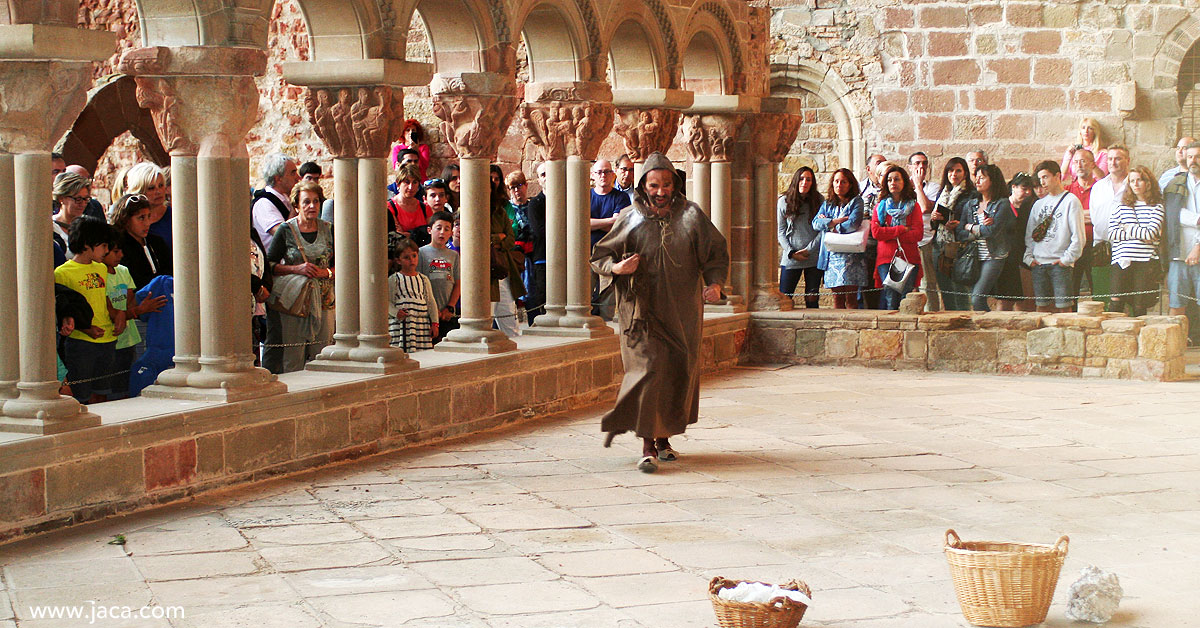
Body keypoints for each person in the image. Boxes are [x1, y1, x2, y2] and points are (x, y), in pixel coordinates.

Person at [590, 152, 728, 473]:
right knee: (647, 371)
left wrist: (715, 283)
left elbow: (715, 252)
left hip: (682, 311)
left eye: (667, 184)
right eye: (655, 185)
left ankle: (663, 437)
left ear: (675, 185)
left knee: (677, 371)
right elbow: (600, 256)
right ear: (644, 185)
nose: (661, 191)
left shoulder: (692, 216)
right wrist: (618, 267)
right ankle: (647, 444)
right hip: (640, 312)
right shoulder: (628, 217)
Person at [264, 180, 334, 374]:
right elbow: (269, 265)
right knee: (293, 356)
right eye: (306, 202)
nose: (312, 206)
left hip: (325, 299)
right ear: (296, 205)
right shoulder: (286, 230)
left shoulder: (329, 229)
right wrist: (297, 269)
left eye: (316, 201)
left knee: (324, 354)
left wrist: (325, 273)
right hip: (296, 301)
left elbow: (344, 264)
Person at [54, 216, 121, 404]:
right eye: (103, 245)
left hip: (107, 339)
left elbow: (104, 298)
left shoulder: (101, 269)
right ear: (86, 244)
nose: (106, 251)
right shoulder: (62, 273)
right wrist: (85, 328)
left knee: (102, 391)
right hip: (80, 343)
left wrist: (117, 315)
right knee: (80, 394)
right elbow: (63, 311)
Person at [102, 237, 163, 400]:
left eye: (121, 250)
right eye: (115, 251)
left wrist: (138, 308)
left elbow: (128, 304)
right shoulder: (98, 275)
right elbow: (108, 311)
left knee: (128, 387)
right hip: (110, 341)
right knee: (110, 391)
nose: (121, 255)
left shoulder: (123, 271)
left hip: (129, 339)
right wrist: (139, 310)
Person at [1025, 160, 1085, 313]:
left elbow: (1078, 236)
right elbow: (1030, 235)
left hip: (1059, 264)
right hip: (1039, 263)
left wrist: (1067, 260)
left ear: (1057, 176)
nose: (1042, 182)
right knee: (1041, 307)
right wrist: (1029, 258)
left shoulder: (1071, 201)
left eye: (1045, 177)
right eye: (1040, 179)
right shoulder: (1039, 204)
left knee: (1064, 308)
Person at [955, 164, 1013, 312]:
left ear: (992, 180)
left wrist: (971, 227)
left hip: (994, 255)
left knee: (977, 297)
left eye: (982, 177)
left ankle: (987, 325)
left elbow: (992, 231)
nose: (978, 181)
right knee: (973, 296)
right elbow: (960, 232)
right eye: (977, 177)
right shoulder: (971, 204)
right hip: (973, 255)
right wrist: (975, 229)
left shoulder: (1002, 204)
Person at [1109, 166, 1165, 316]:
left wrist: (1127, 228)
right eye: (1132, 181)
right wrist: (1139, 233)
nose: (1136, 184)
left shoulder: (1157, 207)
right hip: (1122, 259)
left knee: (1139, 304)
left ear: (1148, 182)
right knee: (1116, 301)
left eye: (1139, 180)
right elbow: (1113, 233)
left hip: (1144, 261)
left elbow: (1151, 233)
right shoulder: (1121, 207)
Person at [814, 169, 868, 309]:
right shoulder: (828, 204)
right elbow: (815, 223)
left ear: (850, 184)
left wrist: (829, 225)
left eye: (843, 182)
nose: (839, 185)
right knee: (837, 300)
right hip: (832, 257)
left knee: (851, 299)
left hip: (851, 257)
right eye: (836, 181)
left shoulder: (857, 201)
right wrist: (834, 221)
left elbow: (853, 224)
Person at [871, 165, 923, 310]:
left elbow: (917, 234)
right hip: (886, 258)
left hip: (907, 257)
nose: (893, 182)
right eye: (889, 180)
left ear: (904, 182)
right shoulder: (880, 207)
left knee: (906, 299)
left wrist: (889, 232)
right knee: (890, 297)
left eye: (896, 179)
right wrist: (901, 229)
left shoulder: (914, 207)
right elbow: (876, 233)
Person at [1087, 144, 1131, 310]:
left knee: (1127, 297)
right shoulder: (1098, 187)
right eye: (1110, 159)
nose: (1113, 162)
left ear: (1127, 160)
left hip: (1127, 248)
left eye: (1118, 158)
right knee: (1103, 296)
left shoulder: (1133, 185)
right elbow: (1094, 215)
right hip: (1102, 247)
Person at [931, 157, 976, 310]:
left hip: (959, 246)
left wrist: (959, 225)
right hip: (940, 245)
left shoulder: (970, 194)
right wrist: (934, 218)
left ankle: (963, 321)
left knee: (960, 290)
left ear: (965, 173)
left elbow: (974, 219)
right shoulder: (942, 193)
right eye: (950, 170)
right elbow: (935, 225)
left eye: (958, 170)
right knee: (945, 290)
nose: (954, 174)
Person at [589, 159, 631, 320]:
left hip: (610, 255)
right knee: (585, 299)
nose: (603, 175)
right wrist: (608, 221)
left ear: (613, 174)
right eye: (599, 172)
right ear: (593, 175)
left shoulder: (621, 198)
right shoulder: (585, 196)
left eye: (607, 171)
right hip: (588, 254)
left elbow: (618, 226)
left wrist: (592, 223)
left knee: (607, 301)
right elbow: (581, 224)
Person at [777, 166, 824, 308]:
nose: (805, 182)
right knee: (785, 297)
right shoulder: (784, 201)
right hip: (792, 256)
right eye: (802, 179)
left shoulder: (819, 200)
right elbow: (780, 231)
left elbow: (822, 230)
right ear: (796, 180)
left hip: (812, 255)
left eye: (808, 179)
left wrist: (809, 249)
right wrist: (791, 252)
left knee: (812, 298)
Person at [1164, 141, 1200, 319]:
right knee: (1176, 304)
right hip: (1179, 253)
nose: (1193, 160)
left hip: (1197, 251)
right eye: (1190, 156)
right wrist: (1197, 219)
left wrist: (1198, 246)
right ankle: (1174, 344)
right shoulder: (1175, 184)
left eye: (1198, 156)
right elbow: (1172, 214)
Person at [489, 166, 526, 336]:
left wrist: (497, 239)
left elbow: (511, 237)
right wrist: (498, 237)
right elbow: (478, 239)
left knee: (509, 319)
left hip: (502, 268)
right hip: (484, 274)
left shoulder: (500, 212)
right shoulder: (468, 212)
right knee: (484, 320)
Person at [109, 193, 172, 290]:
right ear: (126, 219)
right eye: (141, 218)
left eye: (148, 216)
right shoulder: (119, 247)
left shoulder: (157, 242)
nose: (147, 223)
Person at [995, 172, 1037, 311]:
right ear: (1013, 187)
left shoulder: (1030, 207)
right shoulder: (1002, 206)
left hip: (1024, 257)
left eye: (1030, 189)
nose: (1027, 193)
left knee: (1026, 301)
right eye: (1024, 189)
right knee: (1005, 301)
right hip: (1006, 260)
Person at [388, 236, 438, 352]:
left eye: (414, 256)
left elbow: (430, 302)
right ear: (398, 260)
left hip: (421, 326)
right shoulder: (394, 279)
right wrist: (396, 312)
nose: (411, 260)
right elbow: (386, 302)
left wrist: (435, 323)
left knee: (423, 355)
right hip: (401, 326)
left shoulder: (423, 279)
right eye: (406, 257)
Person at [419, 211, 460, 343]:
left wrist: (450, 307)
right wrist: (434, 311)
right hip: (427, 313)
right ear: (430, 230)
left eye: (446, 229)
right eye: (439, 228)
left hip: (447, 313)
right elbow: (419, 282)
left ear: (451, 232)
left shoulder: (453, 255)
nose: (442, 232)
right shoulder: (421, 253)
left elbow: (458, 283)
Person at [909, 152, 942, 310]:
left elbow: (925, 208)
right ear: (910, 167)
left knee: (927, 284)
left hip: (925, 241)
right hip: (906, 241)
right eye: (916, 163)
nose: (920, 167)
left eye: (924, 163)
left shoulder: (934, 187)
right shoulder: (902, 186)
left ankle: (931, 317)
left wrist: (917, 186)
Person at [1066, 148, 1099, 301]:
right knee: (1071, 289)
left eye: (1083, 161)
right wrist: (1089, 215)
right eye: (1076, 162)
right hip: (1074, 246)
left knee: (1098, 289)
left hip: (1096, 245)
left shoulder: (1101, 189)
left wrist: (1077, 215)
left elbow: (1102, 217)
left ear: (1092, 164)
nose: (1079, 165)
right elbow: (1066, 218)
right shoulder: (1067, 191)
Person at [252, 153, 299, 251]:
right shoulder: (264, 204)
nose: (297, 177)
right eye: (293, 173)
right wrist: (293, 213)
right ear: (278, 179)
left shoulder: (285, 198)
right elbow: (282, 235)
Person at [124, 162, 172, 249]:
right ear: (139, 191)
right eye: (151, 188)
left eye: (161, 185)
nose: (158, 191)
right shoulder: (129, 220)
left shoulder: (175, 217)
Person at [524, 164, 548, 323]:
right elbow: (540, 231)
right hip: (543, 257)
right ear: (539, 180)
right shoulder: (535, 204)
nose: (548, 177)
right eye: (543, 174)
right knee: (544, 298)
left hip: (566, 257)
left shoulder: (568, 199)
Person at [387, 164, 430, 244]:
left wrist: (410, 234)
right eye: (407, 182)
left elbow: (430, 232)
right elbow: (398, 235)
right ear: (398, 184)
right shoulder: (390, 207)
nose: (411, 187)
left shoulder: (425, 207)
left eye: (414, 182)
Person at [52, 172, 91, 256]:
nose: (83, 204)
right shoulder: (51, 227)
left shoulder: (89, 225)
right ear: (61, 198)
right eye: (78, 199)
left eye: (86, 199)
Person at [1061, 117, 1108, 181]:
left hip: (1095, 186)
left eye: (1090, 128)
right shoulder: (1073, 150)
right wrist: (1069, 157)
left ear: (1095, 131)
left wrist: (1092, 165)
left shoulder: (1102, 153)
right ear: (1080, 131)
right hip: (1076, 186)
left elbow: (1102, 178)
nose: (1086, 131)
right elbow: (1062, 177)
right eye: (1083, 128)